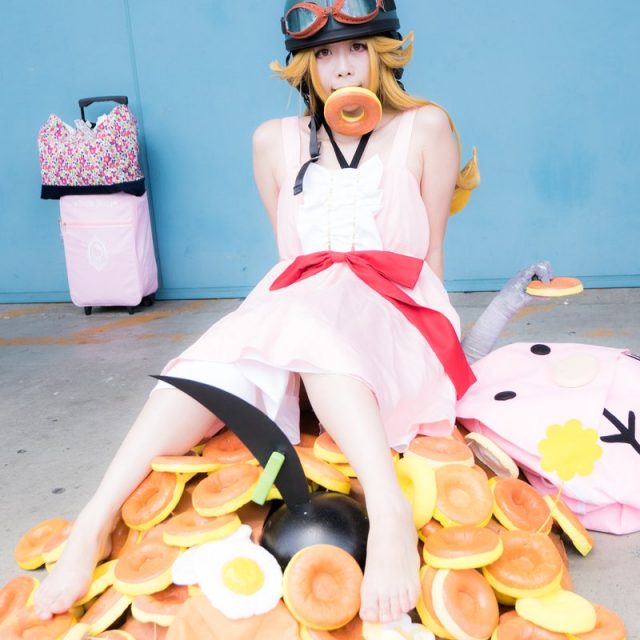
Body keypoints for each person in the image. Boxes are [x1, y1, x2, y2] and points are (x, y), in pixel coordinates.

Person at [34, 0, 477, 624]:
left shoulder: (426, 127)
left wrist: (436, 352)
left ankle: (389, 510)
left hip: (395, 304)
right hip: (304, 303)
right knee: (216, 356)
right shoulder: (273, 141)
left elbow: (430, 257)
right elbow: (291, 259)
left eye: (356, 48)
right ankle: (94, 520)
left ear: (383, 53)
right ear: (304, 64)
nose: (342, 67)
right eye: (324, 53)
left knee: (311, 317)